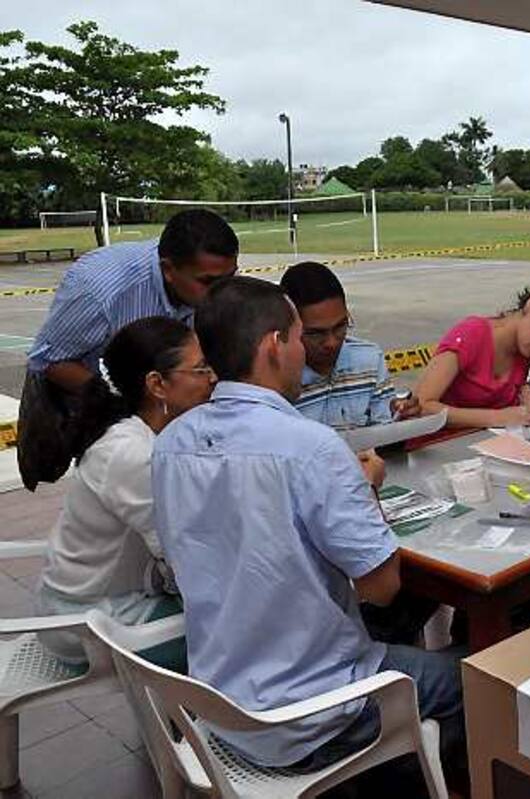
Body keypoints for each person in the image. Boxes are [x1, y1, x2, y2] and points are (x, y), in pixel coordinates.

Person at [153, 276, 463, 771]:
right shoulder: (311, 448)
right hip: (315, 711)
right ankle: (400, 772)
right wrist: (364, 491)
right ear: (275, 345)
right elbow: (382, 587)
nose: (312, 350)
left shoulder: (172, 442)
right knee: (480, 680)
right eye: (301, 337)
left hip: (222, 699)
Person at [36, 317, 216, 668]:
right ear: (157, 385)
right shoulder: (131, 453)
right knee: (236, 636)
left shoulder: (144, 434)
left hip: (104, 598)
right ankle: (186, 722)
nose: (212, 379)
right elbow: (183, 554)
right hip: (84, 620)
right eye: (200, 369)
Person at [18, 209, 237, 489]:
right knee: (108, 470)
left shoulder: (200, 282)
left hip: (150, 387)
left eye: (229, 276)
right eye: (208, 282)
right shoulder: (99, 291)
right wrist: (119, 405)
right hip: (85, 385)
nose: (221, 292)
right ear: (168, 270)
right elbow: (48, 361)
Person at [415, 278, 530, 428]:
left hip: (488, 446)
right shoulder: (472, 335)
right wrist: (498, 418)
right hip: (439, 448)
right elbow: (422, 406)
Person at [279, 261, 417, 428]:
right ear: (288, 329)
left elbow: (385, 428)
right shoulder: (277, 380)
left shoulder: (370, 360)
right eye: (316, 333)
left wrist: (400, 417)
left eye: (340, 327)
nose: (331, 342)